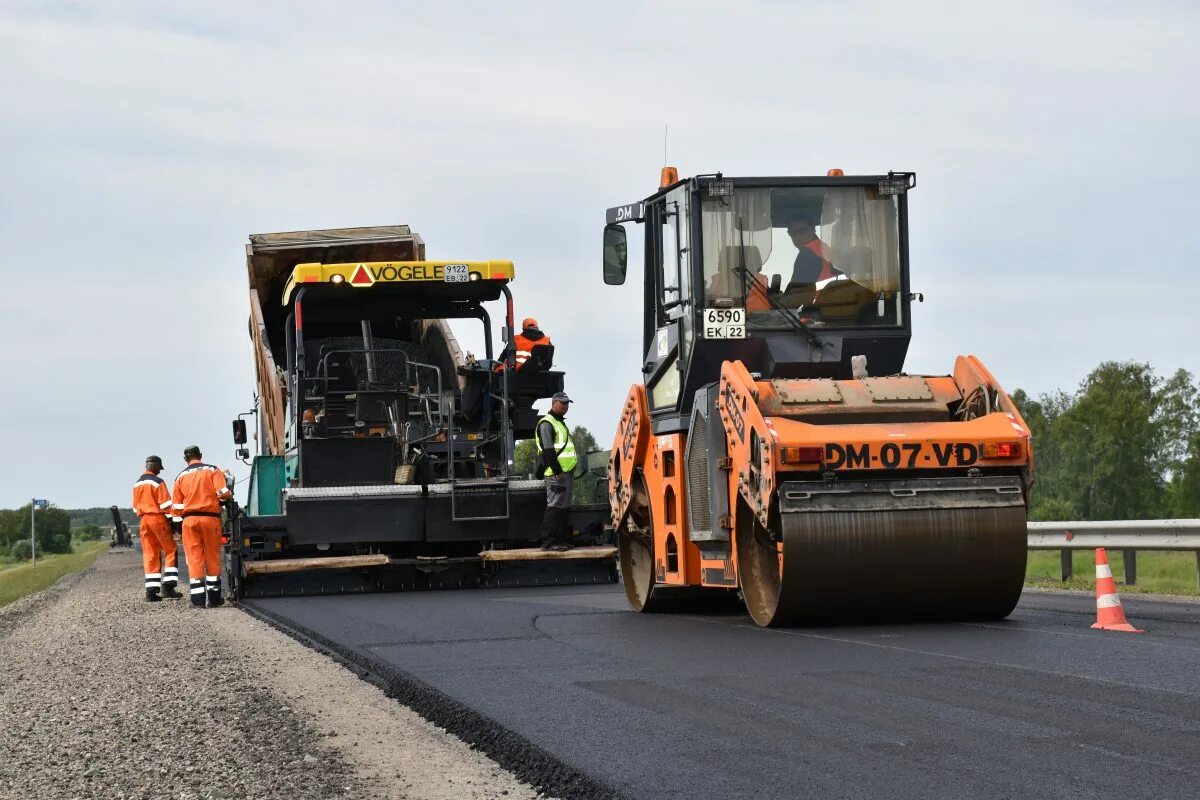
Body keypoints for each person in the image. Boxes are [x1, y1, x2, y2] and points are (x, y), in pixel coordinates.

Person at [171, 446, 232, 607]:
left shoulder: (180, 477)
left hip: (189, 521)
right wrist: (229, 492)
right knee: (212, 557)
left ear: (186, 459)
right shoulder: (213, 470)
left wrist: (177, 529)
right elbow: (223, 494)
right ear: (201, 456)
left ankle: (197, 601)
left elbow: (176, 509)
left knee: (194, 559)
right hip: (210, 519)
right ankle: (214, 599)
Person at [132, 455, 180, 601]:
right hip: (157, 519)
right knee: (171, 550)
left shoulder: (137, 484)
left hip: (144, 521)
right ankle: (168, 587)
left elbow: (135, 508)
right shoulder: (158, 482)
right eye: (159, 468)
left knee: (150, 554)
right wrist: (174, 523)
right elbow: (166, 506)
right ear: (154, 465)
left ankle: (151, 593)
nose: (160, 471)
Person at [536, 392, 578, 551]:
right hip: (556, 474)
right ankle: (548, 542)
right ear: (554, 403)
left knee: (563, 508)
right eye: (562, 403)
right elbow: (548, 450)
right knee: (554, 507)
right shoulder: (547, 423)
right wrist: (557, 470)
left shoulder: (559, 422)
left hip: (565, 472)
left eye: (567, 404)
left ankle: (559, 541)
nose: (565, 407)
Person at [787, 214, 839, 286]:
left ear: (813, 229)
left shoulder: (807, 254)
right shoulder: (824, 250)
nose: (797, 236)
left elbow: (797, 293)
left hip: (819, 296)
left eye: (802, 231)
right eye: (792, 232)